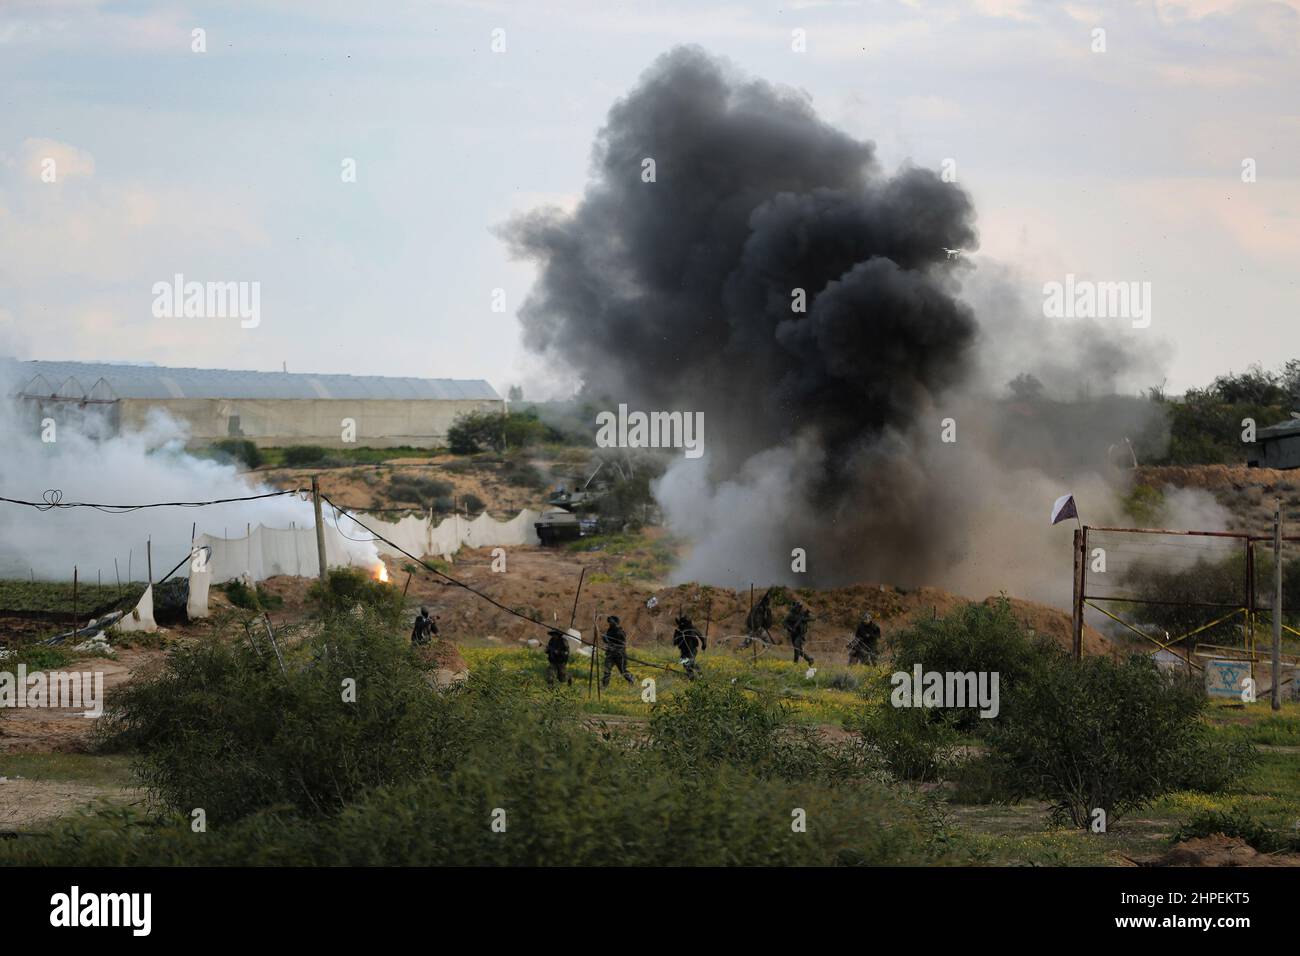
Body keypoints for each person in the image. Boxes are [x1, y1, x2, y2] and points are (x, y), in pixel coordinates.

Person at [601, 615, 635, 688]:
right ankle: (604, 687)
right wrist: (605, 639)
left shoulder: (620, 631)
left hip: (619, 655)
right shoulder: (609, 630)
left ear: (616, 623)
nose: (609, 623)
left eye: (611, 621)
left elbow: (622, 644)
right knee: (607, 670)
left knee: (623, 671)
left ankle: (631, 680)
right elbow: (608, 642)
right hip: (610, 655)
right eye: (609, 621)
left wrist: (608, 641)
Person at [672, 614, 705, 680]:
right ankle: (692, 677)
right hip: (683, 651)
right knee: (685, 664)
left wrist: (704, 644)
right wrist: (679, 638)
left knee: (690, 662)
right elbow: (674, 642)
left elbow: (701, 637)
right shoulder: (678, 631)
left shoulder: (692, 629)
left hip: (692, 650)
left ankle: (699, 673)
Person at [784, 601, 814, 665]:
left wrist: (804, 619)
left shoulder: (802, 614)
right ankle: (809, 659)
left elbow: (812, 618)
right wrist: (790, 628)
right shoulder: (791, 614)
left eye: (800, 607)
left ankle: (795, 663)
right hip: (793, 634)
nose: (799, 609)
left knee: (796, 647)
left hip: (800, 634)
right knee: (798, 650)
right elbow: (784, 622)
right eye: (798, 607)